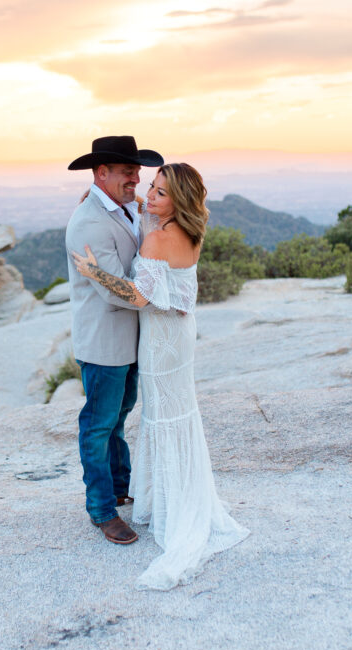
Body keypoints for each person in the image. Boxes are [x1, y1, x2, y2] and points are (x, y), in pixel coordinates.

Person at [71, 162, 249, 590]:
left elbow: (138, 295)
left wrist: (93, 272)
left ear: (178, 202)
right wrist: (117, 197)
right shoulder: (189, 232)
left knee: (159, 418)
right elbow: (149, 211)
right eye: (150, 185)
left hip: (157, 341)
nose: (148, 194)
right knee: (177, 413)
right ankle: (173, 496)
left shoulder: (155, 236)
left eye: (160, 191)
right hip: (180, 336)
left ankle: (164, 506)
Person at [65, 136, 164, 545]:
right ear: (101, 173)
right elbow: (112, 290)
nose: (136, 179)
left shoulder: (125, 207)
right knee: (98, 425)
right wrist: (156, 294)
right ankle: (102, 511)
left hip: (131, 337)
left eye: (137, 172)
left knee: (119, 418)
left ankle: (120, 487)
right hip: (105, 342)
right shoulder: (89, 221)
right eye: (128, 172)